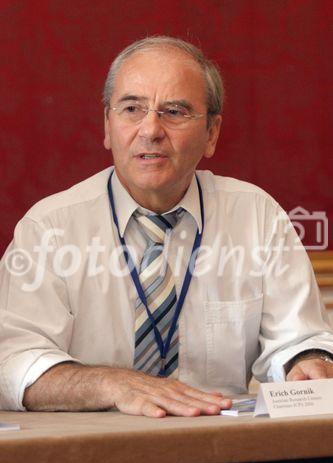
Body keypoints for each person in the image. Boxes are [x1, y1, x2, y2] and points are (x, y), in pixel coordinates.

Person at [0, 36, 332, 418]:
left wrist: (308, 362)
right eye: (131, 109)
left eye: (174, 111)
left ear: (211, 133)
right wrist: (112, 383)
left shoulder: (257, 215)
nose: (150, 130)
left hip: (223, 452)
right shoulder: (49, 228)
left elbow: (300, 339)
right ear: (108, 126)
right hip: (90, 453)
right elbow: (11, 362)